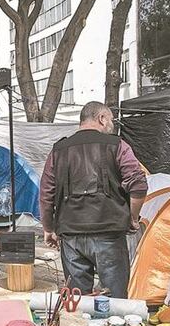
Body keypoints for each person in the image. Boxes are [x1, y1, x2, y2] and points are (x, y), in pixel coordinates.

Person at [40, 101, 147, 298]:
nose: (112, 125)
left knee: (78, 302)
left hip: (71, 234)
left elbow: (46, 193)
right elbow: (138, 185)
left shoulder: (59, 150)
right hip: (109, 233)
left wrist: (49, 228)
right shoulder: (117, 145)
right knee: (114, 301)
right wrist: (133, 218)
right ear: (102, 118)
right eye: (111, 120)